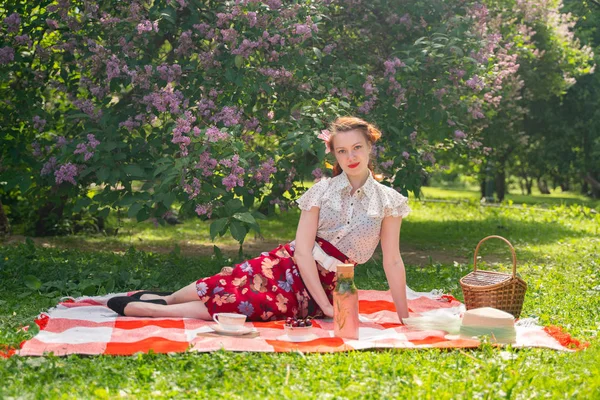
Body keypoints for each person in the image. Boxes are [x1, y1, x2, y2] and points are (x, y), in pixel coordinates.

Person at [107, 116, 411, 323]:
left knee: (252, 304)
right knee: (232, 283)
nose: (351, 156)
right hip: (291, 265)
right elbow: (303, 251)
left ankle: (154, 308)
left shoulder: (390, 202)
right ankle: (164, 301)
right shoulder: (322, 191)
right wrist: (329, 308)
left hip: (332, 282)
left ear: (371, 146)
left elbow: (393, 261)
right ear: (334, 156)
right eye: (342, 151)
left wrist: (404, 316)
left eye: (357, 147)